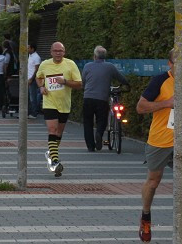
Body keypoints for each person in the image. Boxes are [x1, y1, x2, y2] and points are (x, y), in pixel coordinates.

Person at [136, 48, 182, 244]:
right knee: (154, 181)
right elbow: (140, 108)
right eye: (181, 63)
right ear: (170, 64)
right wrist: (166, 103)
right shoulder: (159, 81)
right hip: (159, 139)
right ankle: (145, 217)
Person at [35, 42, 82, 177]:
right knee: (52, 130)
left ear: (64, 52)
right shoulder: (45, 64)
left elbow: (79, 84)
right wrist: (41, 87)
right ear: (51, 52)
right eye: (55, 51)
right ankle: (55, 162)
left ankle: (51, 151)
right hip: (49, 103)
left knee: (59, 133)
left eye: (60, 51)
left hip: (64, 104)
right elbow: (39, 77)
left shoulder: (70, 64)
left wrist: (65, 82)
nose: (58, 53)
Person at [82, 45, 127, 151]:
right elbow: (120, 78)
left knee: (87, 122)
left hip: (88, 97)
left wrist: (85, 88)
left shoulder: (87, 66)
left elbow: (83, 81)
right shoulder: (110, 66)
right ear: (105, 56)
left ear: (94, 56)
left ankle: (90, 146)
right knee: (101, 120)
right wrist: (127, 84)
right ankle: (99, 133)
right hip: (102, 98)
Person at [26, 44, 41, 118]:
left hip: (33, 79)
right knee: (29, 97)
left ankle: (34, 113)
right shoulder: (30, 56)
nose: (27, 49)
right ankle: (29, 112)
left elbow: (37, 69)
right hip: (28, 79)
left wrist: (31, 79)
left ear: (32, 48)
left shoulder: (36, 57)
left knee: (33, 97)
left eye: (28, 48)